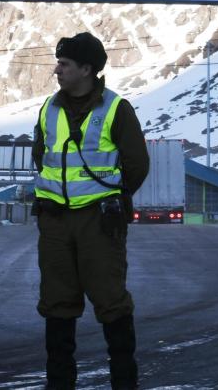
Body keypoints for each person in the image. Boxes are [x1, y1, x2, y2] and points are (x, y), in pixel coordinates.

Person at [32, 32, 150, 390]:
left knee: (111, 302)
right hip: (54, 221)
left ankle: (124, 383)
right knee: (56, 304)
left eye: (64, 64)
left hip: (99, 222)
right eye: (58, 63)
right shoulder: (48, 109)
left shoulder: (117, 109)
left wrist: (113, 196)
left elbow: (137, 165)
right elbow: (41, 156)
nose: (57, 70)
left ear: (87, 69)